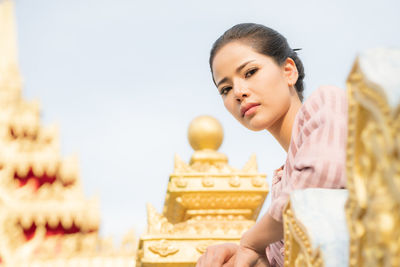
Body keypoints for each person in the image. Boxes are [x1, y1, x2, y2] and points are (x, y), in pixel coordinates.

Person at [196, 23, 347, 267]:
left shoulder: (328, 103)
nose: (239, 92)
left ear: (288, 71)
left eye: (250, 72)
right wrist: (248, 258)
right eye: (226, 88)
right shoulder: (281, 185)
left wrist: (252, 241)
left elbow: (319, 182)